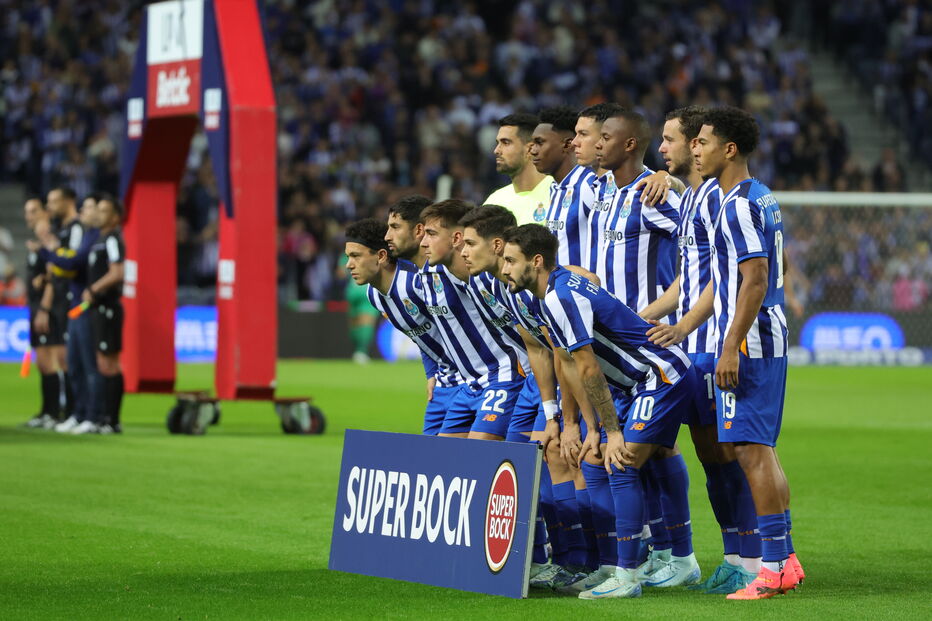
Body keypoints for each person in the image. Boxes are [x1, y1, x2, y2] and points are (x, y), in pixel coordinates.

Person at [501, 223, 698, 600]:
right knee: (614, 459)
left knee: (620, 462)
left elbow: (588, 367)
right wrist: (591, 428)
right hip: (638, 382)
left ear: (536, 261)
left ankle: (629, 575)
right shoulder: (549, 295)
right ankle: (651, 562)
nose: (505, 268)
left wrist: (613, 431)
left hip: (659, 374)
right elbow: (571, 368)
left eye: (511, 261)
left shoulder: (560, 297)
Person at [639, 106, 762, 593]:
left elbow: (725, 277)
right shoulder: (692, 198)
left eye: (672, 139)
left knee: (731, 454)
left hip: (715, 343)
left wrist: (687, 324)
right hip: (695, 348)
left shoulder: (718, 198)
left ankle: (753, 556)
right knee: (712, 455)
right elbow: (687, 281)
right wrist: (640, 318)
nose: (664, 148)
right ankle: (736, 553)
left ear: (699, 144)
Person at [686, 106, 802, 598]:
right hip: (764, 338)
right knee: (756, 450)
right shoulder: (760, 197)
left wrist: (729, 346)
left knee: (749, 453)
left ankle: (772, 567)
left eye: (703, 141)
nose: (695, 148)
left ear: (728, 149)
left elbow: (753, 279)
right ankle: (787, 558)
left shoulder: (735, 204)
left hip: (750, 344)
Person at [460, 205, 595, 590]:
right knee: (522, 466)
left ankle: (585, 558)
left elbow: (560, 348)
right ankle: (542, 559)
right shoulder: (489, 283)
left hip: (573, 376)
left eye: (470, 243)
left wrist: (560, 417)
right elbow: (535, 347)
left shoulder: (531, 281)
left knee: (566, 457)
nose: (463, 251)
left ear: (498, 245)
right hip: (537, 383)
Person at [345, 215, 464, 436]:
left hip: (469, 379)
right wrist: (431, 374)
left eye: (355, 256)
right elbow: (421, 337)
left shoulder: (416, 282)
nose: (348, 264)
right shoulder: (375, 296)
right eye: (348, 257)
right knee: (431, 457)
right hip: (443, 384)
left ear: (381, 256)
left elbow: (458, 325)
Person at [418, 199, 526, 441]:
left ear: (455, 239)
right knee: (443, 458)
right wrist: (432, 372)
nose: (423, 242)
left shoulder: (493, 279)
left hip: (506, 376)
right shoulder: (441, 277)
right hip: (470, 383)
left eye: (431, 234)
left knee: (480, 454)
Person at [38, 194, 104, 434]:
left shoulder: (97, 237)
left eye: (88, 207)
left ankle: (93, 416)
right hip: (75, 305)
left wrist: (50, 251)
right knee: (75, 364)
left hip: (87, 307)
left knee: (89, 365)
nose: (83, 212)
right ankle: (78, 414)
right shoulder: (88, 236)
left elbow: (74, 263)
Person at [530, 106, 596, 269]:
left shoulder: (590, 184)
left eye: (540, 142)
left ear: (567, 145)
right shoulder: (555, 189)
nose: (532, 150)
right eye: (532, 144)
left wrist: (664, 177)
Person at [83, 194, 126, 434]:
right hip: (99, 308)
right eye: (97, 210)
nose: (98, 214)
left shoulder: (112, 239)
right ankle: (104, 418)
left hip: (108, 306)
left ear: (114, 217)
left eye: (104, 211)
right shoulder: (99, 240)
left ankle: (112, 420)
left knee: (110, 364)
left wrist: (94, 289)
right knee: (102, 362)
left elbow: (117, 272)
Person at [22, 198, 64, 429]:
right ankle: (46, 411)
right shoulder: (36, 242)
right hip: (35, 307)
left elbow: (55, 273)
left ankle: (56, 411)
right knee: (42, 363)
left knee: (51, 361)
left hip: (47, 309)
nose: (29, 216)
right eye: (27, 212)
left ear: (45, 212)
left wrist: (45, 309)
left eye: (34, 211)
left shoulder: (49, 239)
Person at [484, 113, 553, 225]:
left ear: (530, 148)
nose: (496, 150)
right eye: (498, 143)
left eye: (505, 143)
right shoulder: (494, 201)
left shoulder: (558, 194)